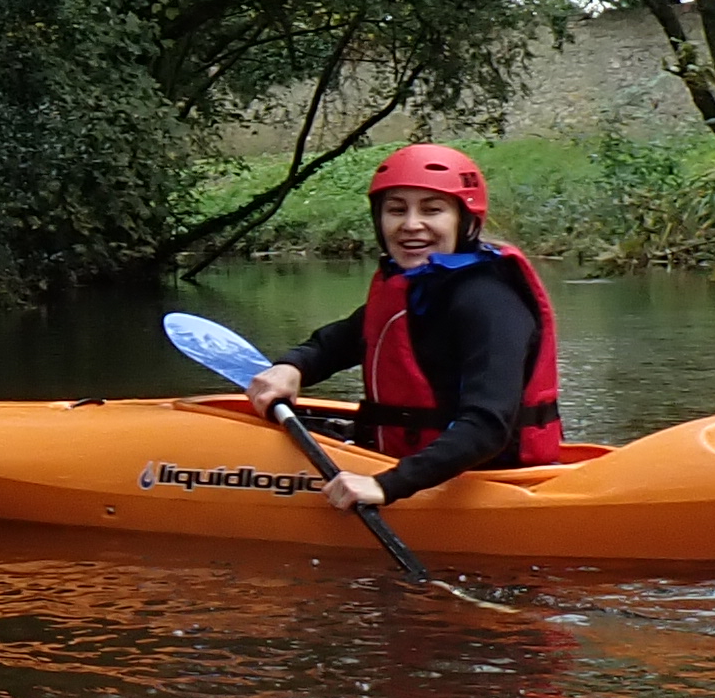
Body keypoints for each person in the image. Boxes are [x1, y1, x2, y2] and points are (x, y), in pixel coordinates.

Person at [242, 143, 565, 515]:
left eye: (432, 210)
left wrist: (387, 484)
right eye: (396, 210)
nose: (411, 225)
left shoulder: (490, 302)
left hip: (486, 478)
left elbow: (488, 427)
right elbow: (341, 340)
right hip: (412, 463)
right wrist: (292, 366)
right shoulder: (419, 287)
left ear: (465, 220)